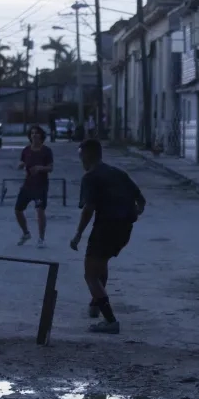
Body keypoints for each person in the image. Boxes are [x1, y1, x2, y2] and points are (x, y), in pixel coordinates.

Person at [70, 139, 146, 334]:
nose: (80, 160)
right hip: (124, 230)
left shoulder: (91, 177)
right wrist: (134, 213)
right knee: (101, 263)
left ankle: (110, 321)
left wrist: (78, 234)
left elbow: (88, 209)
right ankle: (95, 304)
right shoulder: (118, 173)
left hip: (105, 228)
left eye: (81, 156)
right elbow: (141, 200)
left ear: (87, 155)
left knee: (90, 274)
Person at [15, 125, 54, 248]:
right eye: (32, 133)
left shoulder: (46, 151)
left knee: (40, 210)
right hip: (28, 184)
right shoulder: (26, 150)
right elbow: (22, 162)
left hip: (40, 186)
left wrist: (40, 168)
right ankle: (26, 233)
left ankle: (41, 238)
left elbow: (50, 168)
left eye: (37, 133)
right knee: (18, 210)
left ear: (41, 136)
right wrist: (20, 165)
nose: (34, 135)